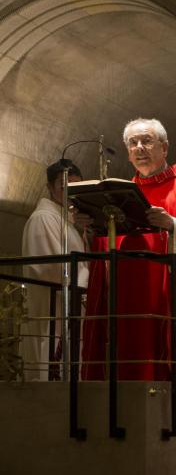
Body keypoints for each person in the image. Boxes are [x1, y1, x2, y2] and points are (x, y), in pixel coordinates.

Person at [82, 118, 176, 381]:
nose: (140, 148)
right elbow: (104, 244)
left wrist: (173, 225)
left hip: (169, 299)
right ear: (128, 152)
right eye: (133, 143)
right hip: (123, 297)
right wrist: (90, 226)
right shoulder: (118, 195)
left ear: (164, 147)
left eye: (147, 141)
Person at [21, 159, 91, 381]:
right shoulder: (44, 219)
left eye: (76, 187)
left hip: (70, 313)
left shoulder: (65, 220)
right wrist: (93, 284)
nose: (70, 192)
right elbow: (53, 271)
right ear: (50, 187)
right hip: (56, 313)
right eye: (64, 186)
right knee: (52, 372)